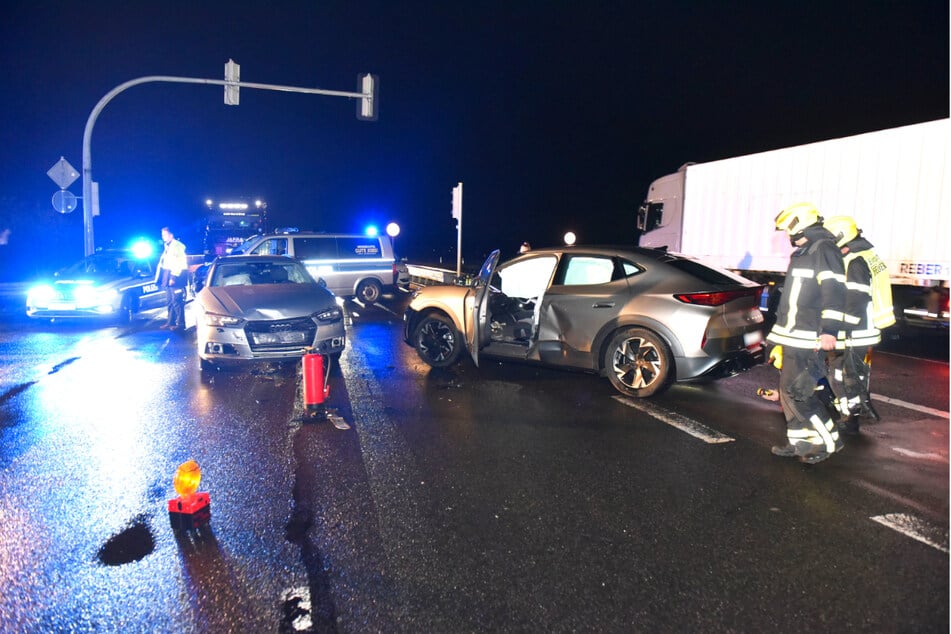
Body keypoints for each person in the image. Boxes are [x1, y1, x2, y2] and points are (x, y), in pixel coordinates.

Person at [766, 203, 847, 464]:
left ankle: (830, 442)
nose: (786, 237)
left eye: (787, 230)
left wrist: (829, 331)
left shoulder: (824, 249)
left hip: (808, 336)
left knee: (799, 393)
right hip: (791, 334)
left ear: (799, 225)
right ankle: (800, 443)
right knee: (787, 391)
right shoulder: (804, 252)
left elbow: (834, 292)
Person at [822, 215, 895, 435]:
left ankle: (852, 415)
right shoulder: (866, 255)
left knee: (841, 373)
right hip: (866, 327)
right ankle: (859, 409)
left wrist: (837, 329)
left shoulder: (854, 260)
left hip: (856, 329)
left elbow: (856, 299)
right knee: (850, 372)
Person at [158, 226, 188, 330]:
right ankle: (170, 322)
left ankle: (180, 324)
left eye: (165, 235)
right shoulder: (167, 246)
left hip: (176, 278)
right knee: (170, 301)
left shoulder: (177, 246)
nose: (163, 237)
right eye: (162, 235)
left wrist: (173, 277)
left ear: (171, 235)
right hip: (168, 276)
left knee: (177, 301)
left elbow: (179, 263)